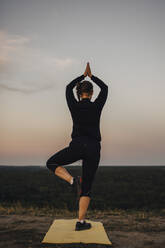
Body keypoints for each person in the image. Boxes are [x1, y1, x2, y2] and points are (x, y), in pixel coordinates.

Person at [46, 62, 108, 231]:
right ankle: (80, 222)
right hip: (94, 147)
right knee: (87, 187)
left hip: (78, 145)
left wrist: (82, 76)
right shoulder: (97, 106)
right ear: (92, 93)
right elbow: (106, 88)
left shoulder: (74, 105)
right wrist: (91, 76)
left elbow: (67, 88)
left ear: (79, 94)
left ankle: (73, 181)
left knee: (51, 163)